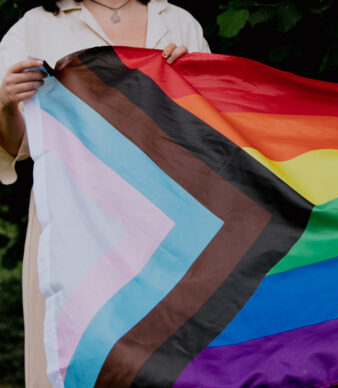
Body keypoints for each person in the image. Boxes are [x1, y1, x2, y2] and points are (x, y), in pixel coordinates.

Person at [0, 1, 210, 386]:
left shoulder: (178, 22)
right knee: (76, 360)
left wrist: (193, 85)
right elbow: (16, 147)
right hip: (70, 226)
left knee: (167, 360)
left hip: (169, 226)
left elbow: (214, 138)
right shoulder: (36, 26)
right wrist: (5, 102)